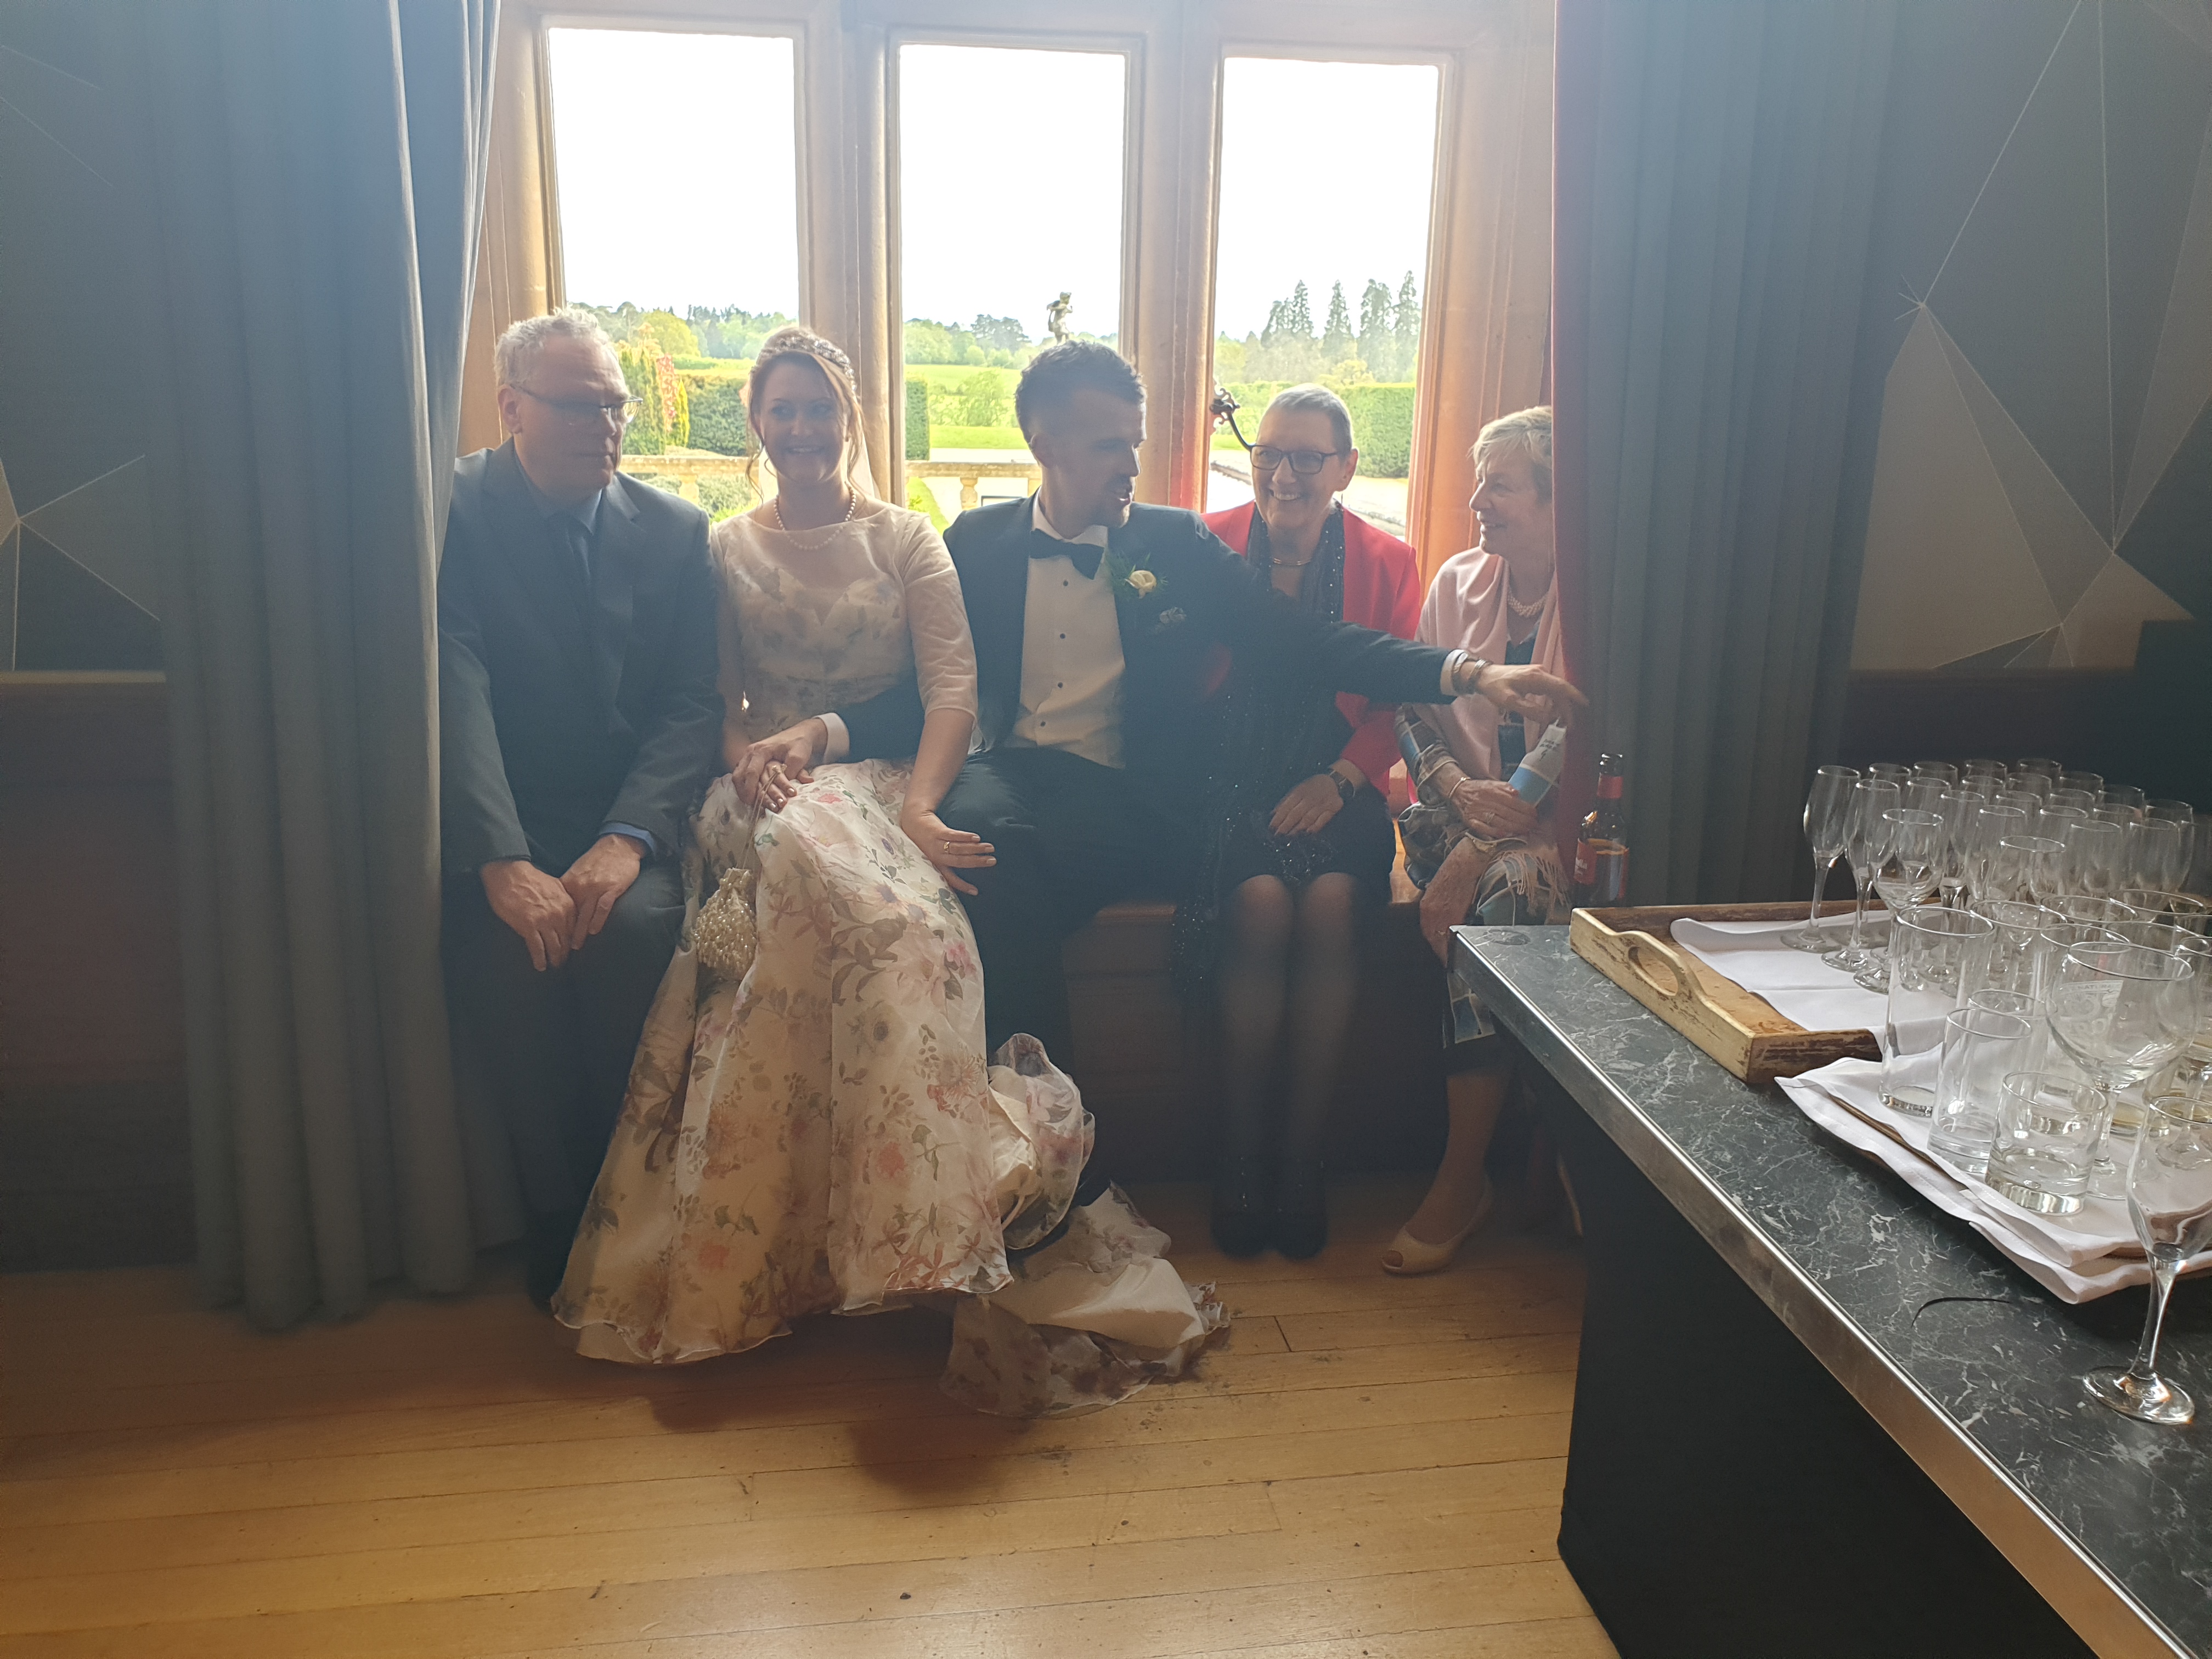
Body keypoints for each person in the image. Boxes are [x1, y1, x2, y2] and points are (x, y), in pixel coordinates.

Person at [554, 328, 1226, 1417]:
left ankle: (934, 1230)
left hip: (884, 784)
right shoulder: (724, 548)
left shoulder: (909, 536)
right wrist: (750, 763)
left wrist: (918, 806)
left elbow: (951, 691)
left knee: (914, 934)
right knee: (830, 899)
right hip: (762, 792)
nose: (802, 427)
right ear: (757, 422)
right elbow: (714, 701)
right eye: (783, 409)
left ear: (850, 420)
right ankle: (778, 1247)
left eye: (821, 408)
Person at [827, 341, 1583, 1109]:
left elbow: (1308, 641)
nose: (1132, 464)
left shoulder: (1173, 544)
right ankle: (1049, 1116)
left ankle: (1040, 1116)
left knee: (1001, 879)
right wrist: (820, 733)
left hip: (1128, 793)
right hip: (1011, 778)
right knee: (978, 846)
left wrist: (1468, 673)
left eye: (1135, 443)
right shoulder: (975, 541)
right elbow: (934, 686)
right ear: (1044, 447)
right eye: (1111, 446)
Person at [439, 308, 721, 1310]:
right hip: (500, 814)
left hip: (625, 818)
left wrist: (627, 838)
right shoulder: (448, 509)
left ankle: (628, 1199)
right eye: (579, 407)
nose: (607, 428)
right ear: (511, 407)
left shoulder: (677, 530)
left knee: (631, 937)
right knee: (502, 952)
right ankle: (555, 1211)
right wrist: (499, 857)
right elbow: (453, 687)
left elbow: (692, 706)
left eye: (617, 406)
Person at [1183, 385, 1423, 1259]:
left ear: (1346, 469)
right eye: (1269, 454)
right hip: (1227, 780)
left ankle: (1301, 1160)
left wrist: (1342, 777)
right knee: (1258, 904)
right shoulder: (1207, 543)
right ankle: (1240, 1157)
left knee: (1329, 905)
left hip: (1340, 780)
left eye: (1307, 458)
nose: (1283, 475)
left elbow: (1396, 698)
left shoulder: (1389, 562)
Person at [1384, 406, 1578, 1276]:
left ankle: (1463, 1180)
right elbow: (1409, 706)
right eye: (1478, 483)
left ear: (1556, 500)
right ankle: (1545, 1153)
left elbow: (1572, 736)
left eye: (1500, 487)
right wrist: (1459, 794)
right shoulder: (1457, 581)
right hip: (1445, 814)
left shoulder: (1597, 598)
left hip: (1551, 828)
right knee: (1502, 890)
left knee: (1505, 896)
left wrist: (1477, 849)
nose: (1477, 503)